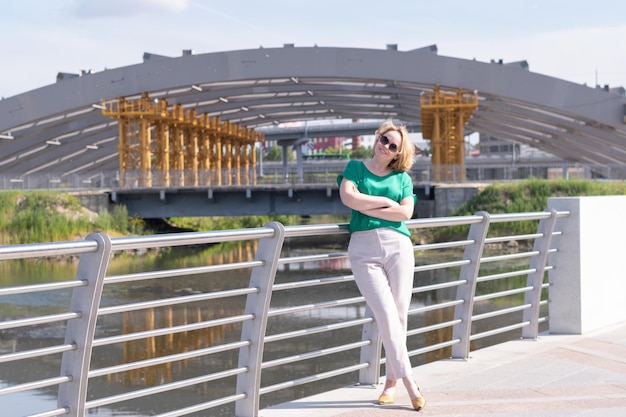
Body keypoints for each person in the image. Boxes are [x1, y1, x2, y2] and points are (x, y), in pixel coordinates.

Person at [337, 119, 426, 411]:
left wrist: (366, 202)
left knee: (399, 315)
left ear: (398, 154)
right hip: (363, 250)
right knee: (386, 313)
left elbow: (407, 213)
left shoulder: (402, 178)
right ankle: (411, 382)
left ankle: (391, 383)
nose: (385, 146)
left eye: (392, 145)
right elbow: (348, 198)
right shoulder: (355, 168)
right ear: (377, 139)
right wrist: (386, 204)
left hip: (398, 246)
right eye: (383, 139)